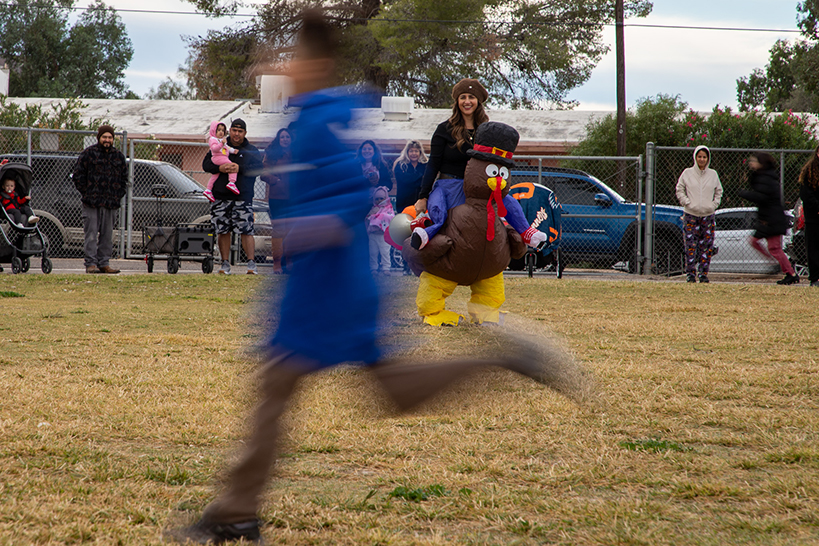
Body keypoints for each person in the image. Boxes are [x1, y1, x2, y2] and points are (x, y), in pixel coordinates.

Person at [168, 10, 577, 544]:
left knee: (300, 387)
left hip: (328, 286)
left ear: (316, 64)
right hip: (328, 282)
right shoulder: (318, 115)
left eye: (293, 57)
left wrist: (305, 228)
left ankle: (236, 510)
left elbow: (351, 200)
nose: (283, 67)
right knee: (353, 389)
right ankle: (237, 509)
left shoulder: (317, 123)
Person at [413, 78, 489, 215]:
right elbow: (433, 164)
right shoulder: (444, 129)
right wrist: (423, 196)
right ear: (457, 102)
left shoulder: (486, 130)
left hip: (477, 191)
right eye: (462, 97)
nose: (467, 101)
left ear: (478, 101)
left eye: (471, 97)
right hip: (449, 189)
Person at [202, 118, 264, 275]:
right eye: (234, 130)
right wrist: (220, 168)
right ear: (230, 130)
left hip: (243, 197)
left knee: (246, 230)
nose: (236, 134)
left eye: (240, 131)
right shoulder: (220, 145)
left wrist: (239, 167)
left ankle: (251, 265)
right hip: (221, 196)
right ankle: (225, 264)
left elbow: (258, 169)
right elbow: (206, 165)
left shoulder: (251, 150)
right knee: (223, 230)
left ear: (245, 133)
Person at [72, 125, 127, 274]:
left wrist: (117, 194)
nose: (107, 140)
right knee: (91, 234)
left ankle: (104, 263)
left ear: (113, 139)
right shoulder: (89, 154)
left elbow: (124, 179)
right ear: (99, 138)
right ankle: (91, 264)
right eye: (104, 137)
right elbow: (77, 175)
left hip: (110, 203)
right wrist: (87, 192)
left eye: (110, 137)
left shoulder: (119, 157)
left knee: (107, 236)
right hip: (91, 203)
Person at [740, 152, 799, 285]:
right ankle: (779, 267)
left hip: (772, 220)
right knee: (755, 241)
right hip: (767, 219)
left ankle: (789, 273)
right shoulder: (763, 177)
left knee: (774, 248)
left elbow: (762, 197)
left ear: (761, 163)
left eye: (753, 161)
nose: (751, 163)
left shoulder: (766, 178)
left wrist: (745, 194)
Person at [675, 145, 723, 283]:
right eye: (699, 156)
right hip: (691, 214)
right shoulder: (687, 173)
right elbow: (680, 189)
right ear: (695, 157)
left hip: (708, 215)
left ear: (708, 159)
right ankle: (690, 274)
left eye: (704, 157)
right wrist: (686, 202)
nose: (702, 159)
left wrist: (713, 205)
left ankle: (703, 274)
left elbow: (719, 191)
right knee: (690, 245)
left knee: (706, 246)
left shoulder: (713, 174)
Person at [262, 127, 293, 274]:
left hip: (294, 198)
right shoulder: (272, 155)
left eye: (288, 137)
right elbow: (264, 173)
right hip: (277, 197)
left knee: (291, 230)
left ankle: (290, 262)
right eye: (282, 137)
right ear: (278, 140)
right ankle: (277, 264)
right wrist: (276, 181)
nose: (285, 139)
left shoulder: (296, 154)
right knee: (279, 231)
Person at [798, 145, 819, 287]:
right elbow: (806, 194)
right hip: (814, 217)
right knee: (813, 248)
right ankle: (815, 278)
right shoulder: (809, 171)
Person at [203, 121, 240, 202]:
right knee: (232, 166)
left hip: (221, 157)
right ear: (214, 131)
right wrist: (221, 144)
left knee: (215, 175)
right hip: (218, 157)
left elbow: (227, 148)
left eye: (223, 130)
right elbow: (214, 149)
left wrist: (234, 151)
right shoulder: (213, 139)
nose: (221, 132)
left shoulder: (221, 140)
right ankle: (232, 182)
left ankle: (208, 190)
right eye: (219, 130)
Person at [392, 139, 428, 214]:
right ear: (407, 152)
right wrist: (420, 176)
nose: (413, 153)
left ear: (420, 153)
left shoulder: (425, 165)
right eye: (411, 151)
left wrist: (412, 179)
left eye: (416, 151)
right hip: (403, 203)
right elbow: (404, 180)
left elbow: (427, 182)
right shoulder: (400, 165)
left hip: (420, 203)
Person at [366, 185, 395, 273]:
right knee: (373, 253)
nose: (379, 201)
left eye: (381, 198)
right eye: (377, 199)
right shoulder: (373, 209)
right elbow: (367, 219)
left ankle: (386, 268)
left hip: (383, 235)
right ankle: (373, 268)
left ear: (385, 198)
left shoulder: (388, 208)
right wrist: (372, 214)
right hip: (373, 234)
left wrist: (378, 216)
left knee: (385, 252)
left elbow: (390, 218)